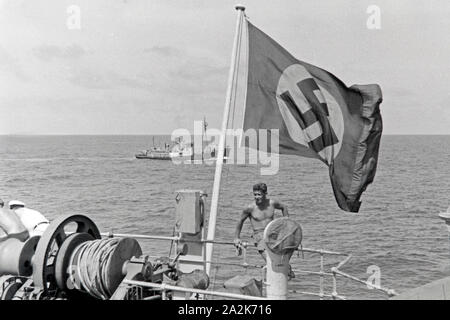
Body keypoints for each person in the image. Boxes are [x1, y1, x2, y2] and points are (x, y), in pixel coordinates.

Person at [233, 183, 289, 257]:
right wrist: (237, 237)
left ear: (265, 194)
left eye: (259, 194)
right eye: (255, 194)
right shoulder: (250, 208)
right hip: (259, 235)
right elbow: (240, 221)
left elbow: (283, 207)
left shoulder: (272, 203)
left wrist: (286, 222)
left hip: (272, 233)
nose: (256, 197)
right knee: (269, 259)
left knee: (281, 256)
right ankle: (269, 266)